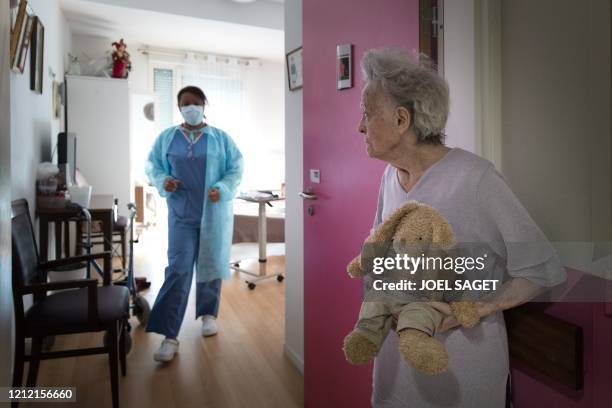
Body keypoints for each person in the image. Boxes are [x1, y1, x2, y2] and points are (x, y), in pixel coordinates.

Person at [356, 48, 566, 407]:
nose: (360, 125)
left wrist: (473, 308)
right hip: (395, 371)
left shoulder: (476, 178)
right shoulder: (391, 177)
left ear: (401, 120)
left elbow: (541, 270)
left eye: (367, 113)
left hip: (463, 377)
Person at [145, 85, 243, 362]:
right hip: (181, 215)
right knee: (178, 270)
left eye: (196, 103)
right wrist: (163, 180)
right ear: (179, 108)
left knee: (210, 264)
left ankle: (209, 313)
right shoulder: (167, 138)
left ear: (204, 105)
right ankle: (170, 335)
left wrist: (222, 188)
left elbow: (235, 168)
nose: (191, 108)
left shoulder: (220, 138)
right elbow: (153, 166)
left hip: (213, 213)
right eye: (186, 103)